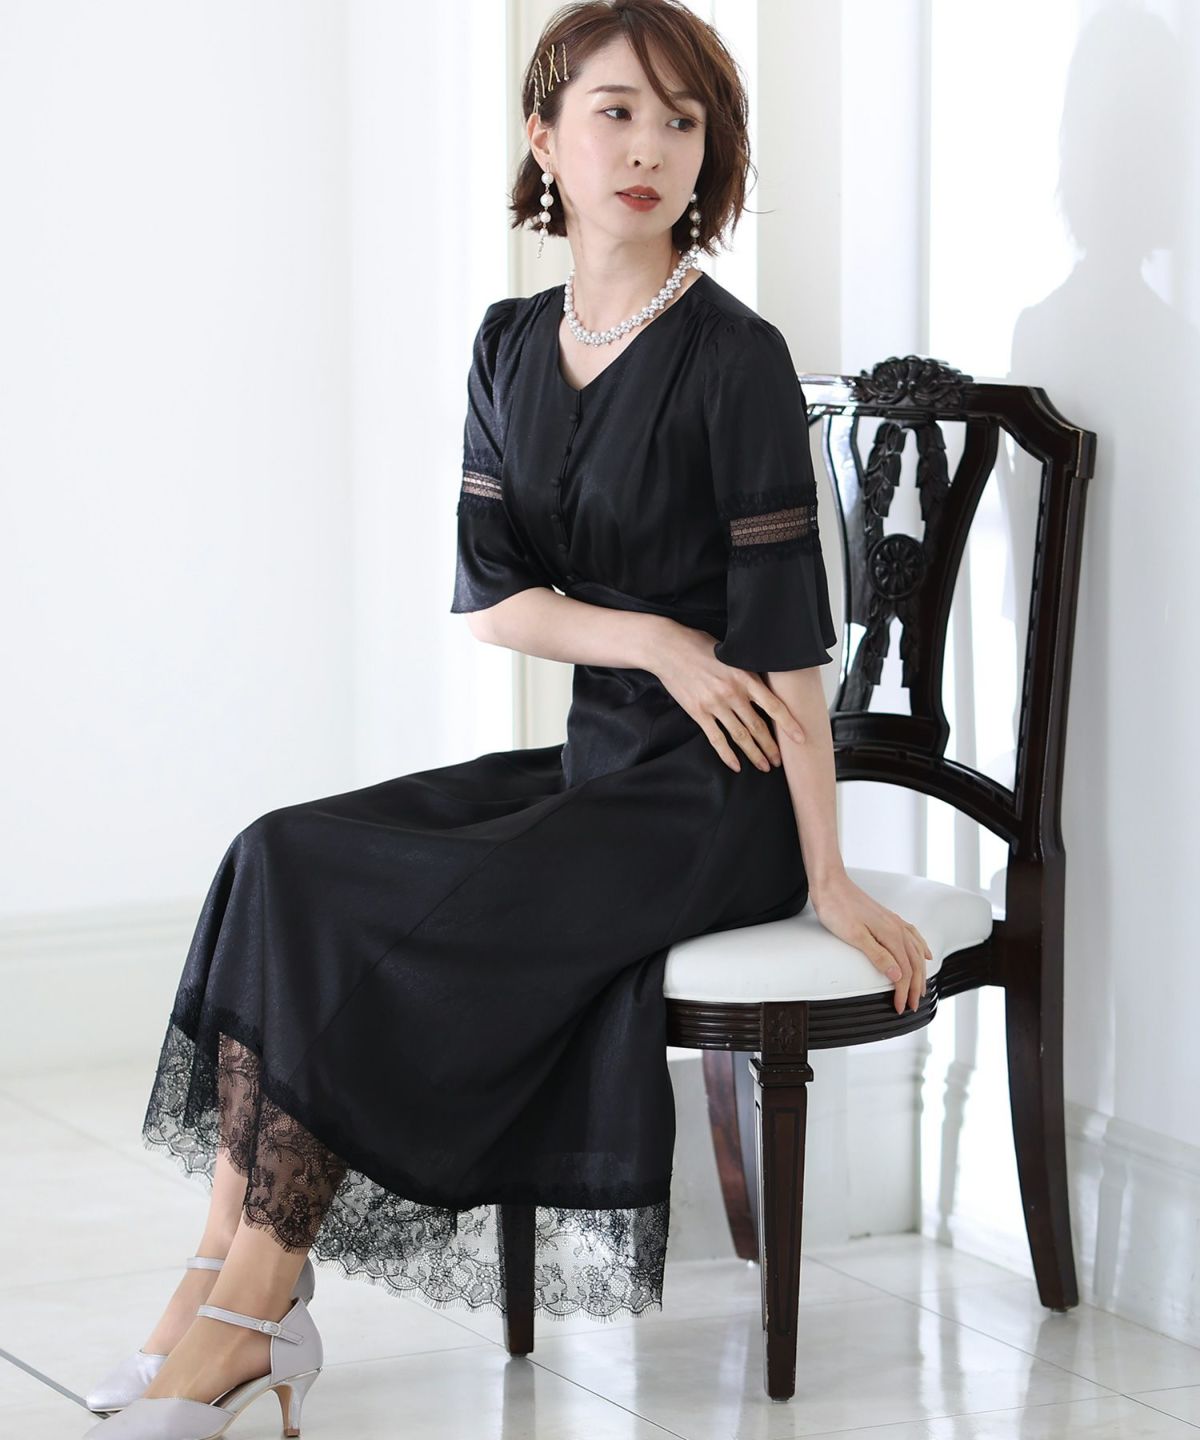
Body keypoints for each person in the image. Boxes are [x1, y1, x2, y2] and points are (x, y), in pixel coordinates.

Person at [83, 2, 931, 1434]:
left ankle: (245, 1316)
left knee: (393, 920)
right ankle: (214, 1290)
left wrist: (828, 872)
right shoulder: (511, 341)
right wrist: (655, 641)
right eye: (616, 111)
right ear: (545, 136)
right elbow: (493, 600)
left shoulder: (735, 355)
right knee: (284, 857)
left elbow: (790, 647)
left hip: (716, 800)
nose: (649, 147)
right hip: (602, 763)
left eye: (682, 121)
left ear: (709, 154)